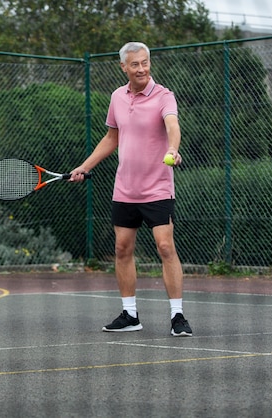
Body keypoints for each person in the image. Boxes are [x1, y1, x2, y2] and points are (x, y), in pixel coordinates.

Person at [70, 42, 192, 337]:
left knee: (165, 247)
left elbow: (172, 125)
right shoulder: (117, 97)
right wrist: (85, 166)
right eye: (135, 64)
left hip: (158, 188)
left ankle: (177, 316)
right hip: (124, 189)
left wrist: (173, 148)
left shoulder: (164, 96)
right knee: (122, 249)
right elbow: (112, 138)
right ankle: (130, 314)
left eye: (145, 62)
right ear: (123, 67)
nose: (141, 69)